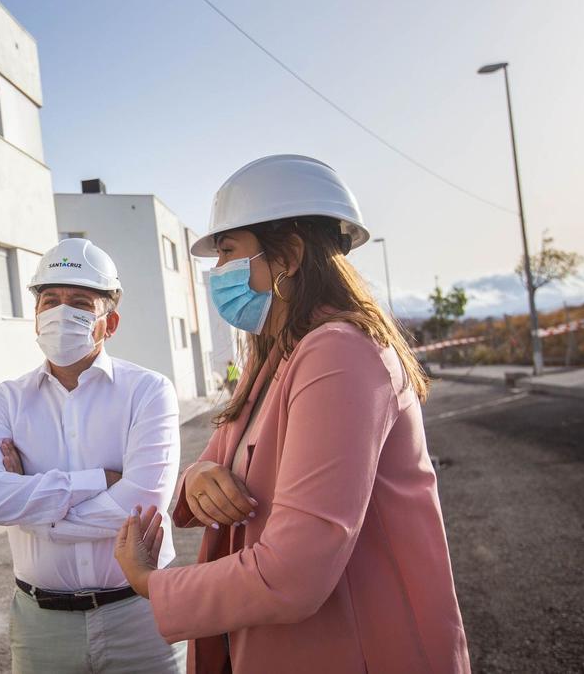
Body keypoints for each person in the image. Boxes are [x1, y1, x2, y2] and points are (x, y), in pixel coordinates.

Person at [114, 155, 470, 673]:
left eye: (229, 252)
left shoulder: (338, 353)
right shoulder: (276, 355)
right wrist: (200, 474)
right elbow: (208, 471)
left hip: (355, 649)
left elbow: (294, 574)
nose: (217, 273)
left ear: (290, 256)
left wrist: (151, 583)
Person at [0, 238, 186, 673]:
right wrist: (98, 481)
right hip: (41, 626)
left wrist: (32, 511)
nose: (61, 313)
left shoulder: (148, 392)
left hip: (140, 615)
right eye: (50, 301)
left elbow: (141, 506)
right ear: (35, 317)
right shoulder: (3, 401)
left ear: (111, 322)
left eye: (81, 303)